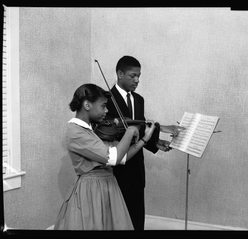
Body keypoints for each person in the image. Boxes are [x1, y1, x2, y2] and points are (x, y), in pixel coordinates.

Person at [54, 83, 156, 230]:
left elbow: (122, 158)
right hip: (91, 191)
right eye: (103, 106)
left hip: (108, 186)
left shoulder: (91, 130)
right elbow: (113, 158)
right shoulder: (75, 132)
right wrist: (129, 131)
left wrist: (144, 139)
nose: (106, 111)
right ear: (87, 105)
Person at [105, 56, 184, 230]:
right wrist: (161, 127)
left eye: (139, 76)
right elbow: (113, 131)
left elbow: (140, 127)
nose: (137, 80)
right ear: (120, 74)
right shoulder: (106, 100)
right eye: (133, 76)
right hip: (117, 171)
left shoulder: (139, 99)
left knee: (137, 221)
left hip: (137, 170)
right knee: (117, 222)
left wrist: (155, 143)